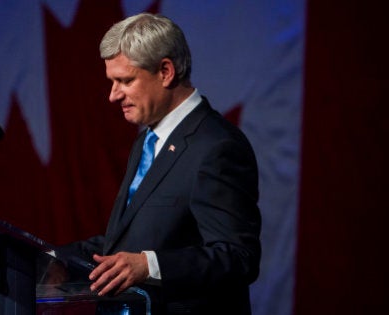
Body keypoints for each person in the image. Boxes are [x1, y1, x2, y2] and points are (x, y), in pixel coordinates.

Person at [55, 12, 262, 314]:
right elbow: (136, 238)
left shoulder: (217, 146)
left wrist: (149, 265)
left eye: (124, 80)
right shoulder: (147, 141)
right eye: (112, 82)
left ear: (165, 71)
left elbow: (238, 256)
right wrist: (54, 259)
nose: (113, 96)